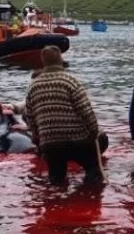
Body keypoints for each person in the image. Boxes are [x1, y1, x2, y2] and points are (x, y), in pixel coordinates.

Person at [24, 46, 102, 185]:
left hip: (50, 143)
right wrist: (93, 132)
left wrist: (38, 138)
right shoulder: (70, 82)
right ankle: (90, 192)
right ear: (60, 60)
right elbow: (86, 111)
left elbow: (30, 117)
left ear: (43, 62)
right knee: (93, 170)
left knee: (57, 180)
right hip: (77, 139)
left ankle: (58, 192)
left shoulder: (33, 87)